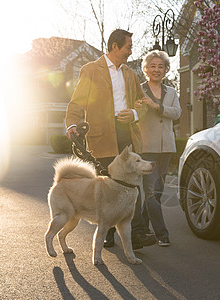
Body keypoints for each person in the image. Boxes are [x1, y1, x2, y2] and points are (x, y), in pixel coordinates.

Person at [65, 29, 156, 250]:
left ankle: (138, 233)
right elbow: (77, 102)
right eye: (128, 47)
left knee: (133, 184)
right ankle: (106, 233)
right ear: (115, 46)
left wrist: (134, 114)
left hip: (126, 132)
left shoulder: (130, 73)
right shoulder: (90, 70)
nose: (130, 51)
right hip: (101, 135)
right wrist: (72, 124)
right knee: (106, 187)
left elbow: (141, 102)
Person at [137, 50, 181, 247]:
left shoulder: (171, 92)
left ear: (165, 70)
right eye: (152, 66)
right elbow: (136, 114)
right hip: (146, 147)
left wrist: (156, 107)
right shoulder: (139, 91)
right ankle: (162, 233)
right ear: (146, 69)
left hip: (167, 147)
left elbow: (177, 113)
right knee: (151, 191)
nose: (156, 70)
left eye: (160, 66)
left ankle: (142, 228)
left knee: (158, 190)